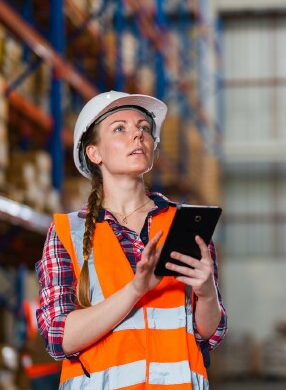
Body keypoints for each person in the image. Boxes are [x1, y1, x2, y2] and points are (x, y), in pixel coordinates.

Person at [35, 91, 227, 389]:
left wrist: (207, 293)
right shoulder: (67, 233)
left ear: (153, 148)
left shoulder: (184, 224)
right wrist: (135, 290)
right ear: (94, 153)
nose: (137, 134)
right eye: (120, 128)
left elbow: (207, 333)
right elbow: (59, 338)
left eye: (144, 128)